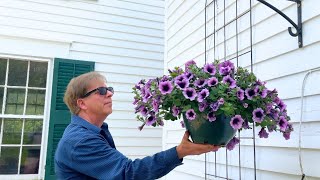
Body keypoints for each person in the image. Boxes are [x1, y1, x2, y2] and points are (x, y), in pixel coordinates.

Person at [54, 71, 220, 180]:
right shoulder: (80, 141)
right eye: (102, 91)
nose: (110, 93)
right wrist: (179, 152)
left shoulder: (93, 133)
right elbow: (128, 173)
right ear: (82, 103)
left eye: (109, 89)